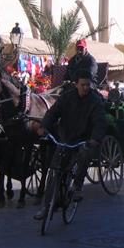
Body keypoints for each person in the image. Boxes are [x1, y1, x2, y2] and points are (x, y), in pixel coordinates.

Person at [34, 69, 106, 219]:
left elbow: (99, 122)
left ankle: (77, 187)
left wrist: (94, 139)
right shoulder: (67, 98)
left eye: (88, 85)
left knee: (84, 156)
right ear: (76, 84)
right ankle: (46, 208)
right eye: (83, 85)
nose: (85, 88)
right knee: (53, 173)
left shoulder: (95, 101)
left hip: (83, 141)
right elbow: (53, 113)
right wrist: (44, 127)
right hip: (64, 138)